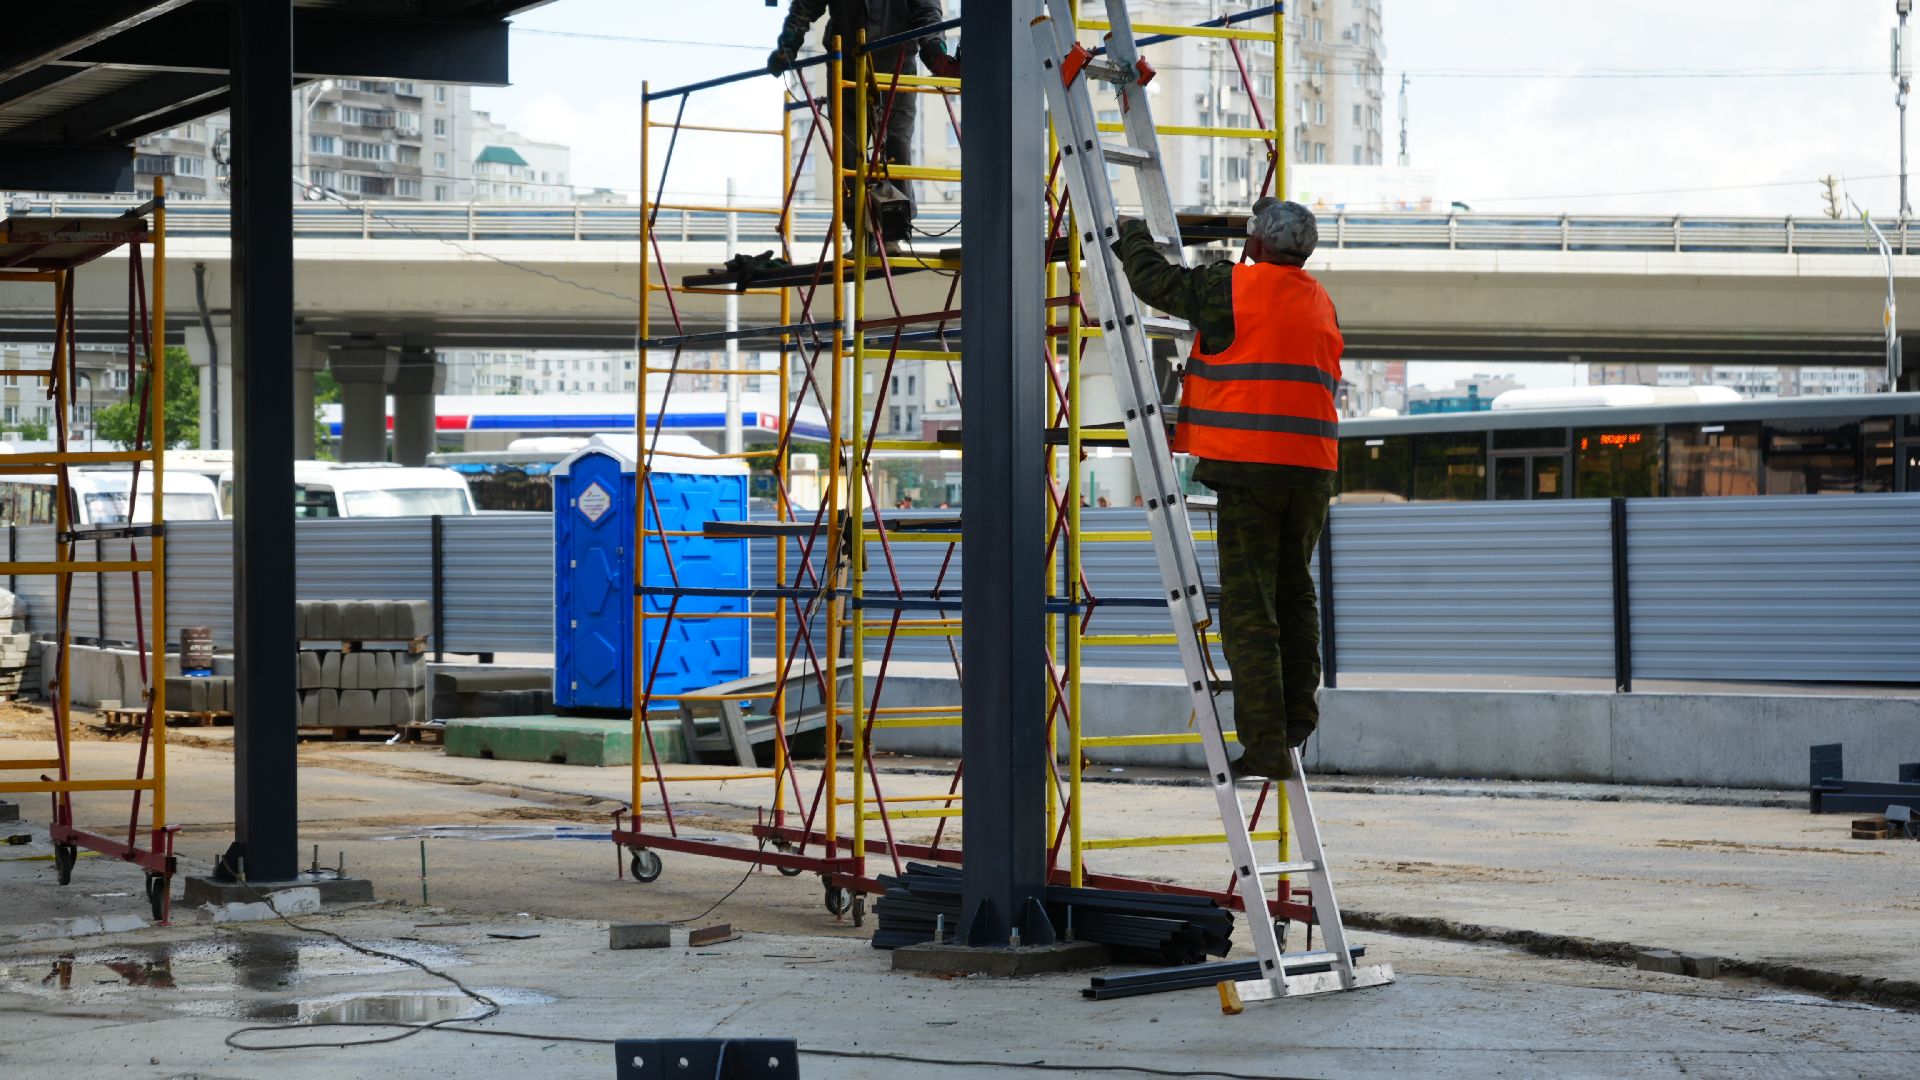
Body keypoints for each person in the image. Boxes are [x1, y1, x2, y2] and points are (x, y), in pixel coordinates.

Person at [1112, 198, 1341, 781]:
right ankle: (1295, 724)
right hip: (1310, 468)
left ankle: (1264, 746)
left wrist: (1131, 234)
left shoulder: (1234, 288)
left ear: (1258, 243)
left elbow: (1155, 282)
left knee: (1250, 610)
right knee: (1294, 595)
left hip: (1251, 467)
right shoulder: (1319, 301)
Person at [768, 1, 958, 251]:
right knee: (850, 156)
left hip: (896, 66)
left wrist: (937, 55)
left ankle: (893, 232)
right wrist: (789, 42)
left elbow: (927, 12)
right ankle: (860, 234)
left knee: (897, 148)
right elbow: (805, 5)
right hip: (848, 65)